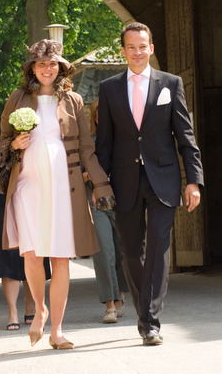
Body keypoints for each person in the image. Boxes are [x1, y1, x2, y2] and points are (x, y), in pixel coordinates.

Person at [0, 39, 114, 350]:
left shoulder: (73, 100)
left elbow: (87, 148)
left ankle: (58, 331)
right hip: (27, 187)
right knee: (32, 254)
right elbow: (3, 141)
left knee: (61, 258)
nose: (47, 68)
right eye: (41, 63)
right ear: (32, 69)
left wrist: (101, 185)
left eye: (53, 64)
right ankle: (40, 310)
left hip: (65, 187)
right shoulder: (17, 98)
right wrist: (14, 144)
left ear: (61, 68)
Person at [96, 22, 204, 346]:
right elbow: (104, 144)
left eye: (142, 46)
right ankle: (147, 313)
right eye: (131, 47)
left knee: (158, 248)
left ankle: (150, 322)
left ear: (151, 48)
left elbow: (185, 137)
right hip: (124, 181)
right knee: (131, 251)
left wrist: (194, 181)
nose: (137, 52)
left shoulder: (171, 84)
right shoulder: (109, 89)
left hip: (164, 180)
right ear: (123, 51)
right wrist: (100, 186)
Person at [0, 138, 51, 330]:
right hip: (1, 205)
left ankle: (30, 304)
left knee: (31, 254)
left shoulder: (36, 142)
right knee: (6, 256)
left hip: (31, 200)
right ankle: (12, 311)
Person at [84, 99, 128, 324]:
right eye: (100, 114)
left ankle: (119, 293)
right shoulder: (88, 144)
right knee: (104, 251)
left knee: (120, 253)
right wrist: (90, 176)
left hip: (123, 202)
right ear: (95, 118)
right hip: (97, 202)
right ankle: (110, 304)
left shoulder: (125, 139)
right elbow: (77, 172)